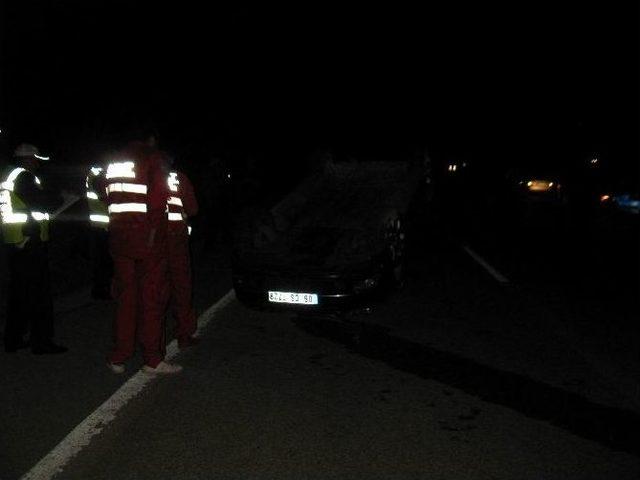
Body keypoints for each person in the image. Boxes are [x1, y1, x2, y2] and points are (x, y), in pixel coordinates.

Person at [103, 128, 181, 374]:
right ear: (152, 139)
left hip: (118, 238)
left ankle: (119, 356)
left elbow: (106, 195)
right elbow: (159, 200)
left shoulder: (114, 161)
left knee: (126, 298)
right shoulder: (153, 157)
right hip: (147, 241)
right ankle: (152, 360)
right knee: (151, 299)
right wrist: (155, 236)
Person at [0, 143, 67, 354]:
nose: (38, 163)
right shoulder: (23, 177)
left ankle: (13, 339)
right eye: (36, 159)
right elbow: (42, 202)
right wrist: (58, 197)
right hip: (30, 241)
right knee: (39, 294)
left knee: (19, 292)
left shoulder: (7, 175)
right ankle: (42, 342)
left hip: (16, 240)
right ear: (28, 159)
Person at [165, 164, 199, 349]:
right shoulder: (178, 178)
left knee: (152, 290)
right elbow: (192, 209)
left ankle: (151, 342)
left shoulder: (142, 175)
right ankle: (184, 333)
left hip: (150, 241)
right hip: (176, 239)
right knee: (181, 287)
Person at [85, 162, 112, 299]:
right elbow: (105, 197)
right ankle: (102, 290)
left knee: (101, 260)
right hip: (103, 226)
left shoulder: (94, 173)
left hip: (100, 225)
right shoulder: (99, 175)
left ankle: (101, 289)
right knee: (103, 260)